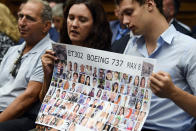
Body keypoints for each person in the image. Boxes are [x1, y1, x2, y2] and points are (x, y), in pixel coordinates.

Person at [120, 0, 196, 130]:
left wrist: (173, 93)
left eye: (129, 12)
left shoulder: (190, 48)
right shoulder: (131, 46)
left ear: (149, 5)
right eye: (122, 15)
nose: (125, 21)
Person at [0, 0, 53, 130]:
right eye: (20, 16)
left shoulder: (50, 52)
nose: (22, 22)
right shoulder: (13, 50)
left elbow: (29, 97)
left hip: (22, 116)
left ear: (46, 26)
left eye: (29, 18)